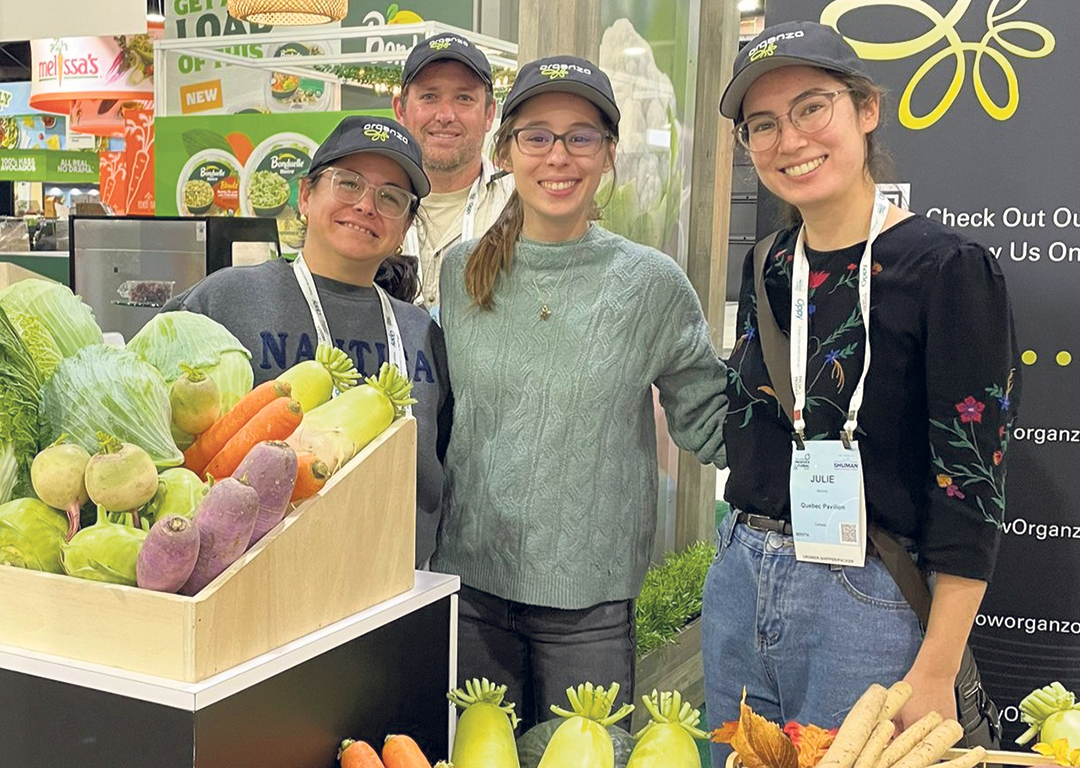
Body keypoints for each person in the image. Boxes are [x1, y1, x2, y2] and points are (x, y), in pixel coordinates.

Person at [703, 20, 1018, 760]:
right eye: (764, 125)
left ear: (866, 109)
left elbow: (974, 487)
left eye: (813, 108)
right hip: (742, 574)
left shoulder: (947, 269)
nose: (790, 140)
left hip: (867, 598)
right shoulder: (768, 264)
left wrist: (935, 669)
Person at [432, 55, 728, 729]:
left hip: (588, 608)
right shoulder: (461, 271)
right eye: (537, 135)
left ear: (608, 154)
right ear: (506, 150)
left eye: (580, 136)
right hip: (470, 589)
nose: (557, 155)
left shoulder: (648, 284)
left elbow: (709, 417)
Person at [162, 115, 453, 568]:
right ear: (305, 195)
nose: (366, 205)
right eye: (348, 183)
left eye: (390, 197)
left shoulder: (421, 333)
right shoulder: (225, 300)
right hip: (255, 585)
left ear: (405, 226)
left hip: (401, 590)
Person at [393, 32, 513, 312]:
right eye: (429, 96)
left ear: (488, 114)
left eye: (464, 98)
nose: (446, 115)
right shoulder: (369, 208)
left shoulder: (523, 207)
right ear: (401, 110)